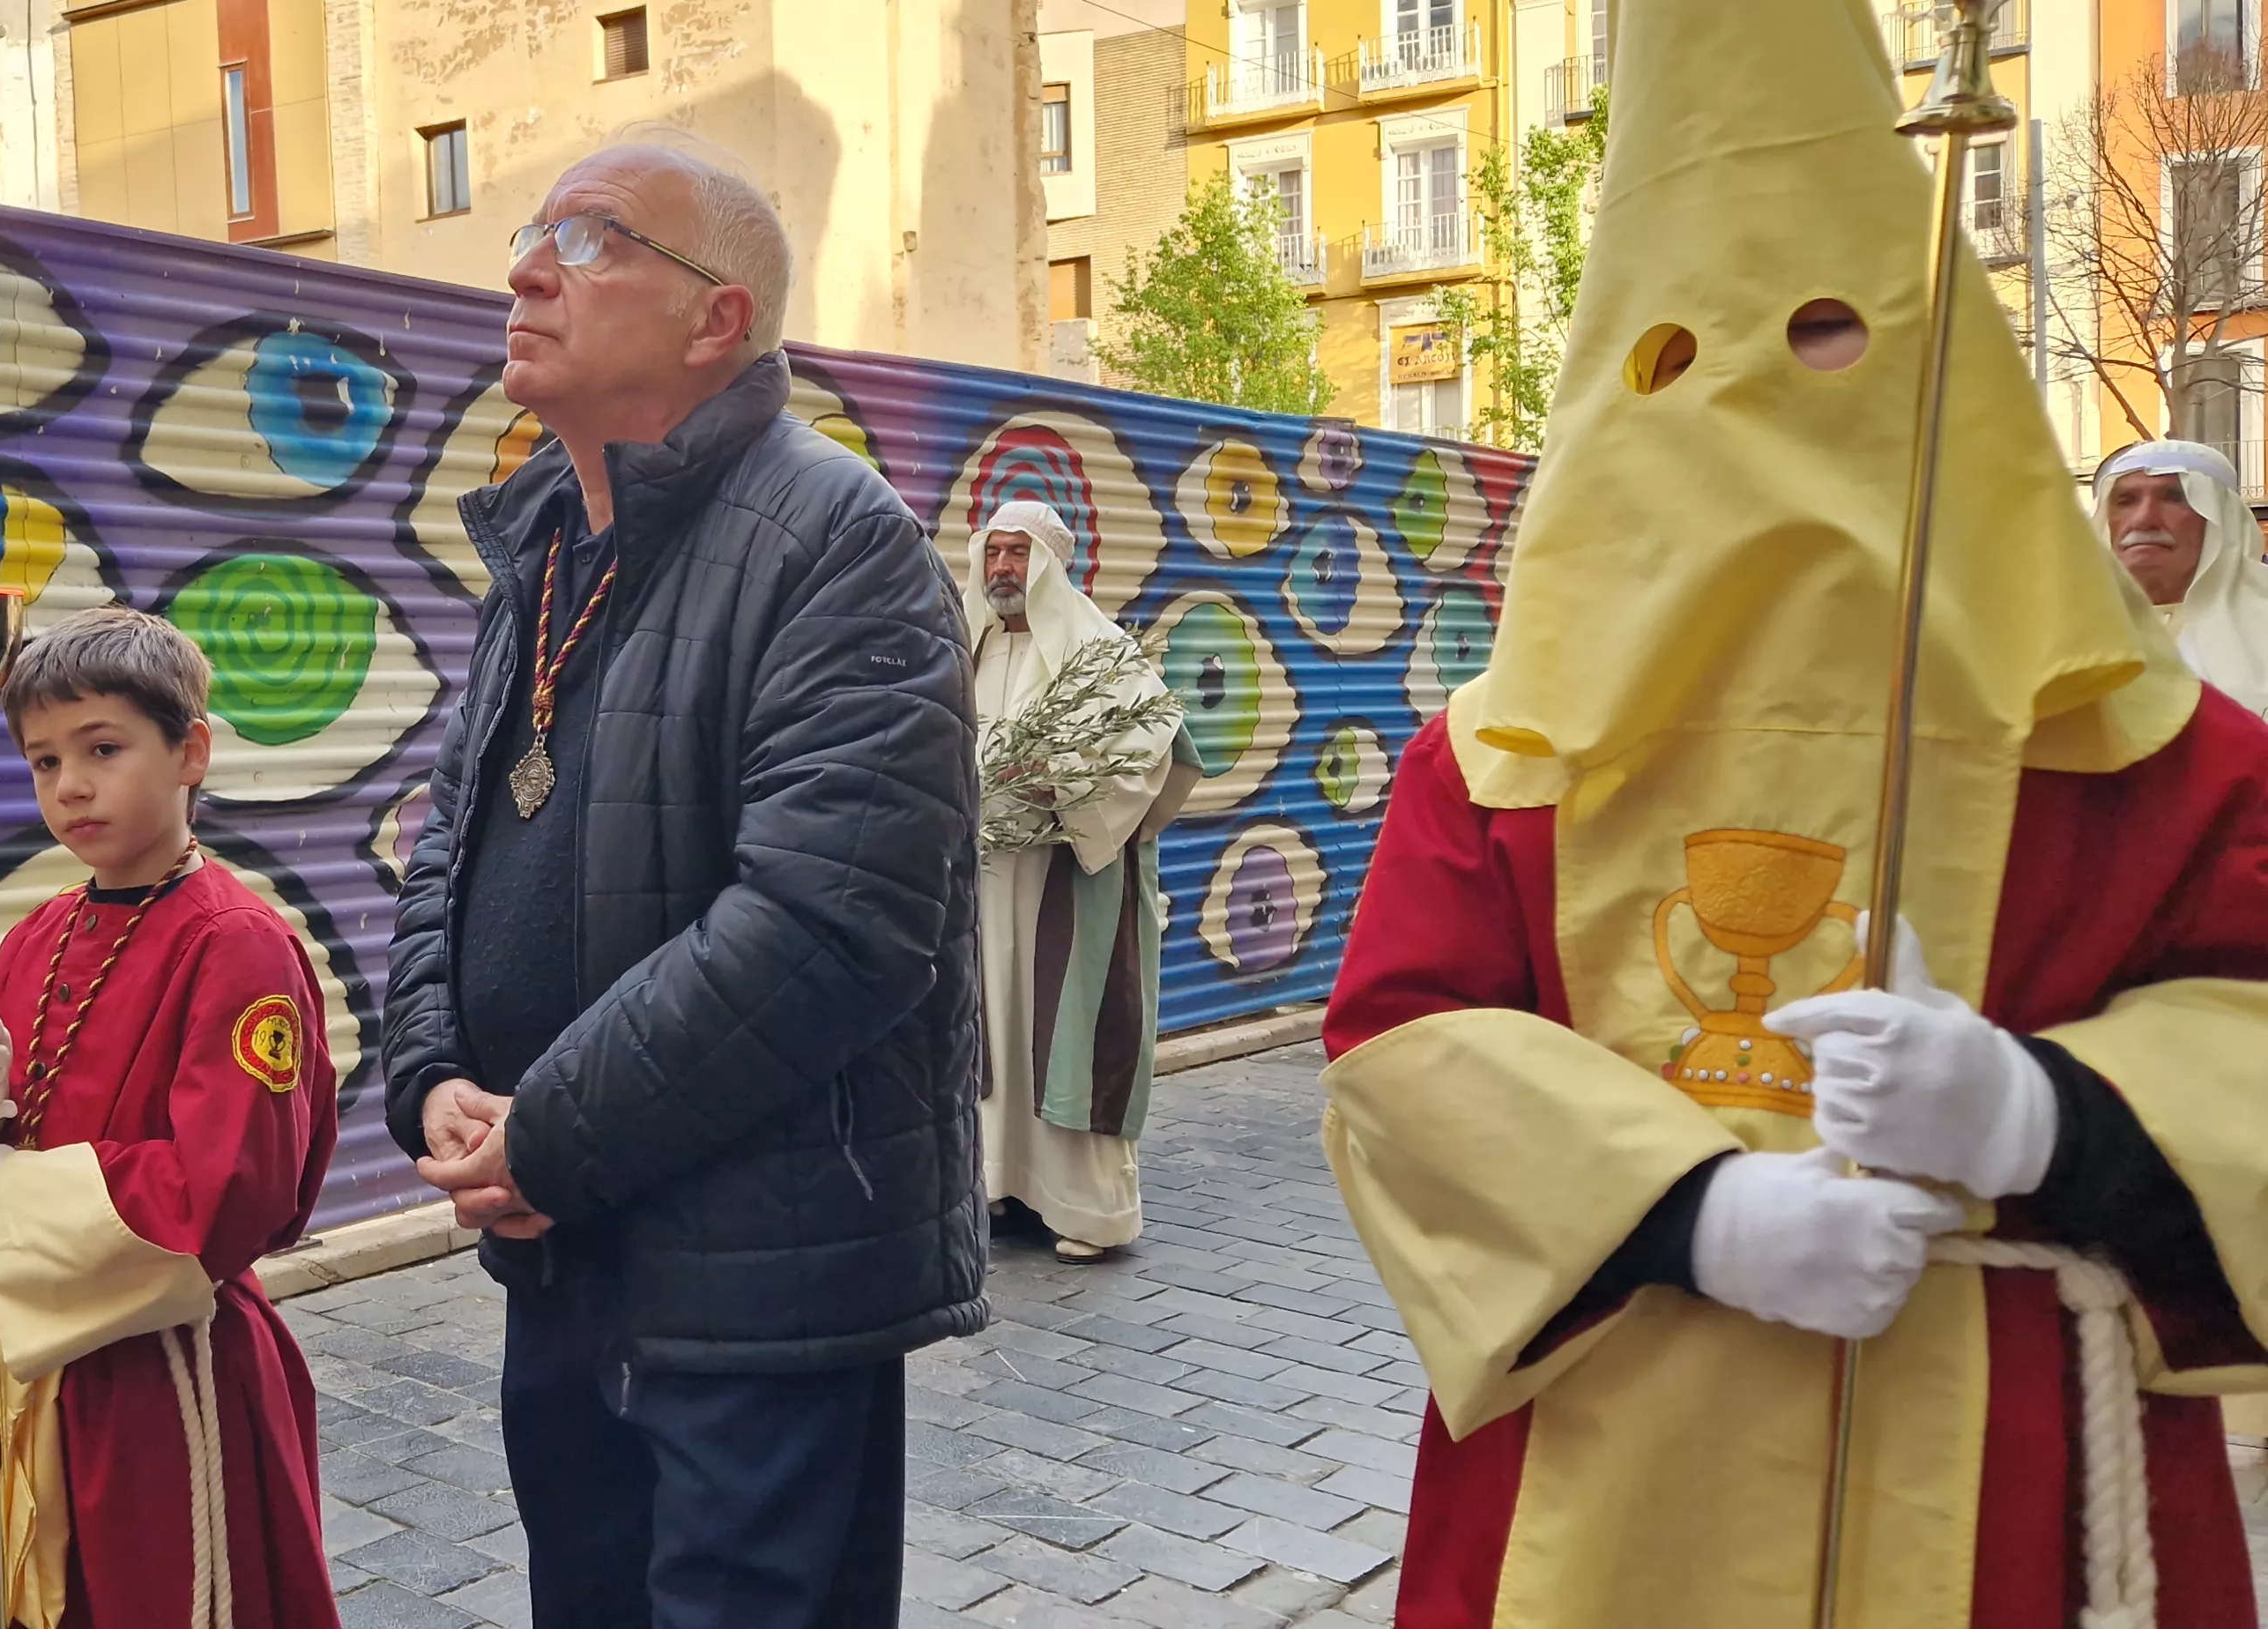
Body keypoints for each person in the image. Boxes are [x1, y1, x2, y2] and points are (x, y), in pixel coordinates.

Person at [1316, 3, 2268, 1624]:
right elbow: (1404, 1045)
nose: (1759, 405)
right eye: (1681, 358)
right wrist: (1690, 1208)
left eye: (1831, 335)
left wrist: (2051, 1116)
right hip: (1610, 1478)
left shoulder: (2156, 751)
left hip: (2012, 1469)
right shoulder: (1494, 759)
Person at [381, 133, 983, 1629]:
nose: (525, 266)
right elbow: (450, 832)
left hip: (757, 1281)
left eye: (590, 242)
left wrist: (551, 1133)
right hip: (567, 1248)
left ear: (719, 320)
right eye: (531, 231)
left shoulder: (835, 536)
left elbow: (833, 920)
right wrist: (436, 1068)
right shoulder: (546, 550)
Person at [0, 607, 339, 1629]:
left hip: (163, 1377)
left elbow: (232, 1189)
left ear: (190, 750)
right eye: (44, 760)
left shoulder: (237, 946)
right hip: (26, 1371)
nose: (71, 787)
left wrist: (11, 1204)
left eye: (103, 749)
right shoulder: (40, 930)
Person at [963, 500, 1183, 1261]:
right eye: (993, 553)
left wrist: (1055, 776)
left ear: (1051, 563)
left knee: (1068, 1031)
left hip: (1068, 877)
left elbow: (1155, 747)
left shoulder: (1103, 656)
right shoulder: (969, 645)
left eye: (1018, 555)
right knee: (992, 1025)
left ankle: (1085, 1210)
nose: (1001, 569)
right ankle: (994, 1182)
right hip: (988, 879)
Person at [2093, 438, 2268, 718]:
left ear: (2218, 518)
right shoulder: (2062, 623)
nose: (2144, 519)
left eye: (2174, 498)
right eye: (2126, 501)